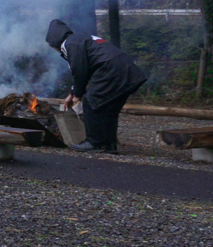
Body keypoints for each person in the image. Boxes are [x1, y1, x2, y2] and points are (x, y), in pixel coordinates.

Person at [46, 18, 147, 153]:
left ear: (54, 40)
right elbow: (84, 69)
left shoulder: (71, 44)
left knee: (90, 102)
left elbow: (79, 71)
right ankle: (110, 145)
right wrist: (72, 93)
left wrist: (77, 95)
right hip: (126, 71)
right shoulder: (80, 39)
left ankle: (94, 143)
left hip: (110, 70)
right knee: (109, 108)